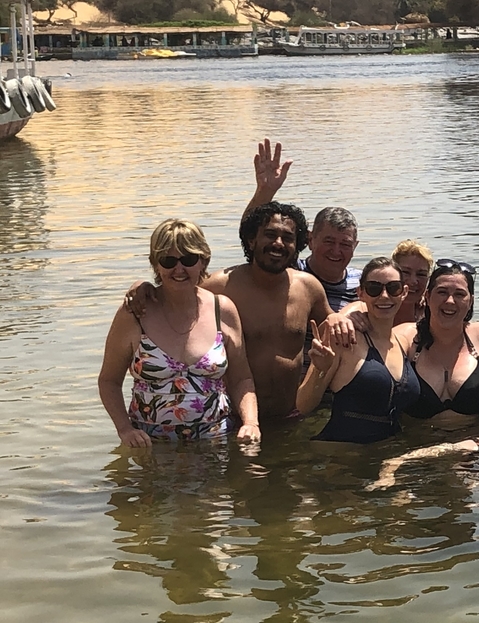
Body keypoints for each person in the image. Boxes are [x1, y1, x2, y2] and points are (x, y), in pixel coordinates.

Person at [124, 202, 334, 421]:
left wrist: (344, 316)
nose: (278, 243)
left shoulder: (308, 287)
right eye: (270, 235)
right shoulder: (220, 286)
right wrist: (143, 287)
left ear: (297, 244)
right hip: (234, 419)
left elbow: (333, 325)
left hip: (292, 416)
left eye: (288, 238)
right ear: (251, 240)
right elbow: (176, 288)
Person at [100, 219, 260, 447]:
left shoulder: (222, 310)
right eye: (168, 261)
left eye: (188, 259)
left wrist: (251, 422)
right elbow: (109, 381)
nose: (179, 269)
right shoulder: (135, 313)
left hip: (216, 444)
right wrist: (125, 430)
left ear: (203, 261)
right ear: (155, 264)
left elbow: (241, 378)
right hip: (150, 447)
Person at [296, 257, 420, 443]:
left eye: (393, 288)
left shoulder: (402, 342)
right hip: (339, 454)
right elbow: (303, 405)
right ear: (361, 293)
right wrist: (319, 370)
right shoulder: (344, 340)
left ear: (404, 292)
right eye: (374, 288)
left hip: (386, 452)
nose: (384, 296)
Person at [244, 138, 360, 310]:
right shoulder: (288, 270)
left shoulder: (366, 283)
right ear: (310, 239)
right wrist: (265, 191)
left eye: (345, 244)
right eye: (329, 241)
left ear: (355, 246)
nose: (336, 251)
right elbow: (251, 234)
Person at [396, 260, 479, 425]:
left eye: (459, 294)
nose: (450, 301)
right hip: (415, 439)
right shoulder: (406, 337)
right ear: (427, 296)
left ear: (470, 301)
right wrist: (356, 314)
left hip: (477, 438)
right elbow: (374, 340)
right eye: (442, 292)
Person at [392, 240, 432, 324]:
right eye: (406, 272)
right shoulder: (374, 310)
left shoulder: (432, 312)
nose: (413, 281)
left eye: (421, 274)